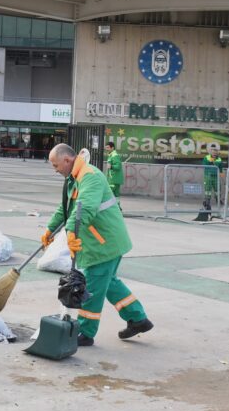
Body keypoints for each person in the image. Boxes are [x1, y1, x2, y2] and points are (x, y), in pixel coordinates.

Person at [40, 143, 153, 347]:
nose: (55, 170)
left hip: (104, 243)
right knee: (108, 283)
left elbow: (86, 209)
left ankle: (85, 332)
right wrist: (50, 229)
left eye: (56, 165)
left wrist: (72, 232)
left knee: (92, 286)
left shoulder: (90, 176)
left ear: (67, 160)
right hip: (102, 241)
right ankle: (138, 319)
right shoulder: (74, 178)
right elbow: (65, 208)